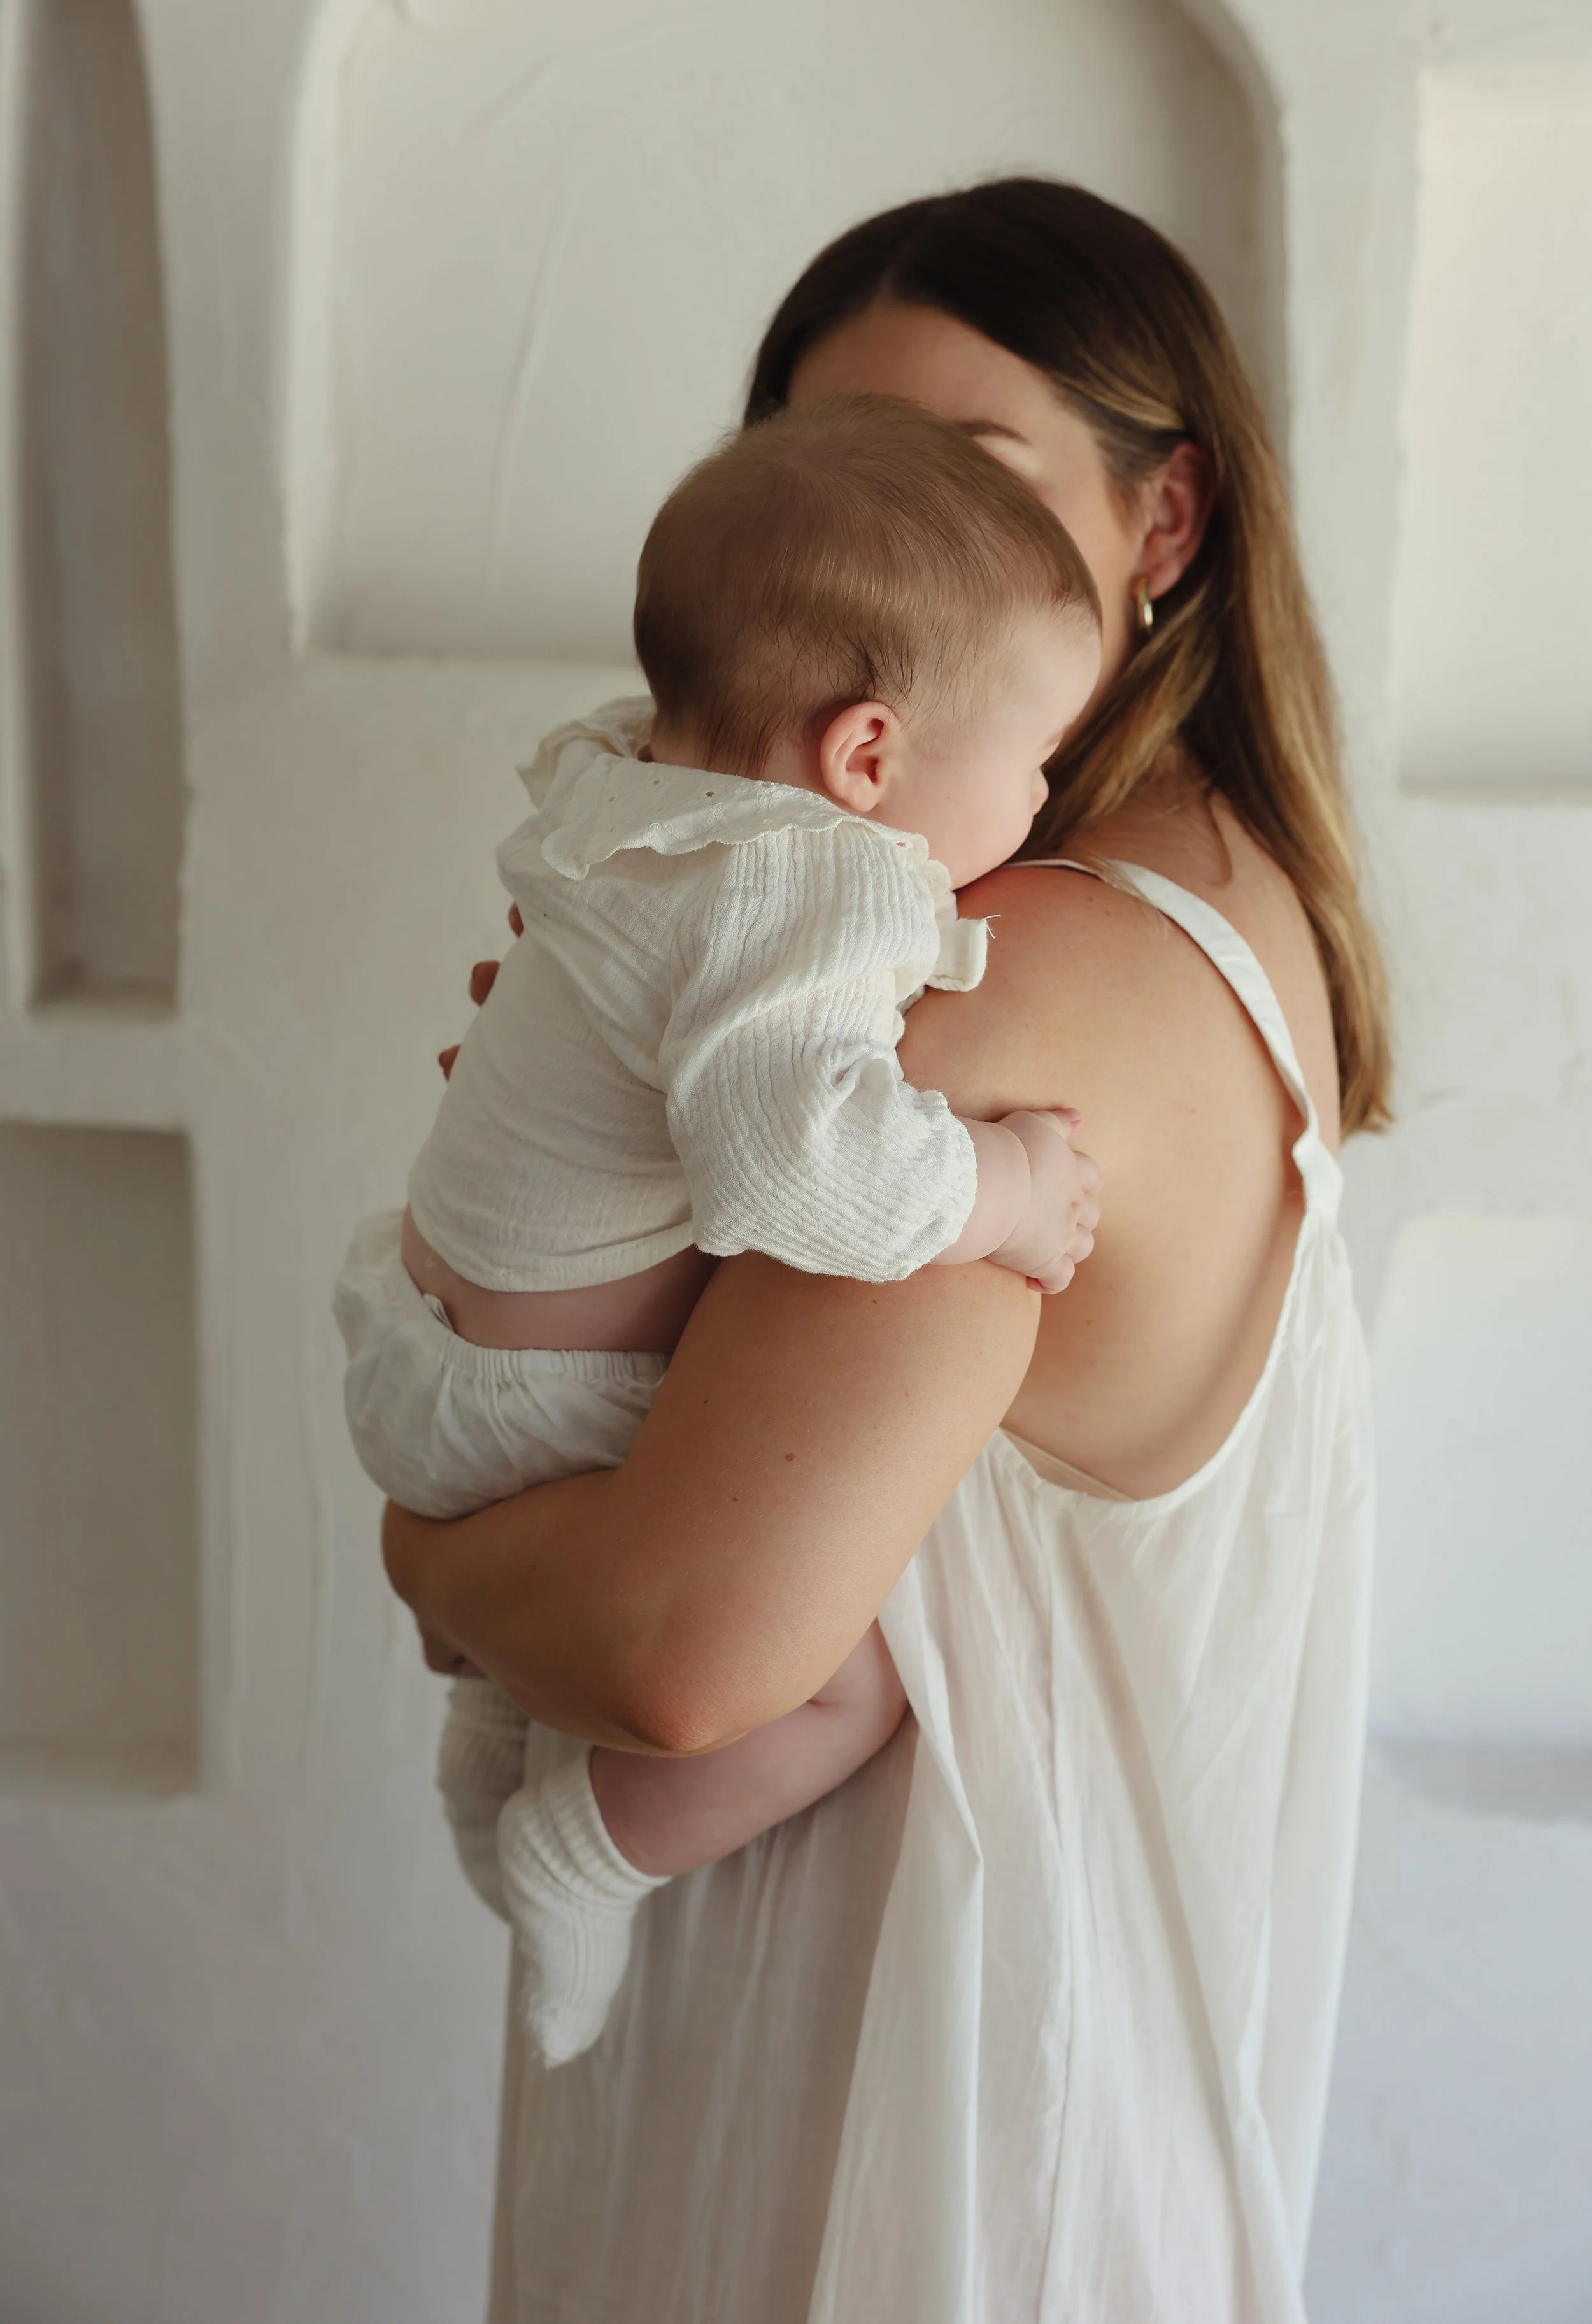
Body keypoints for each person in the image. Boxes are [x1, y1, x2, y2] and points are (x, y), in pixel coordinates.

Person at [383, 178, 1385, 2324]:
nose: (894, 549)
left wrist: (425, 1548)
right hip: (956, 2062)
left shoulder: (1003, 968)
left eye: (976, 469)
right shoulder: (1203, 893)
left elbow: (677, 1647)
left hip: (907, 2126)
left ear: (1164, 518)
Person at [336, 394, 1104, 2066]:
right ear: (867, 759)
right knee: (852, 1683)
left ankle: (488, 1767)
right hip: (547, 1406)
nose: (1049, 795)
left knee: (514, 1658)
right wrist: (1009, 1187)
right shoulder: (807, 888)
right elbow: (803, 1177)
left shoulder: (631, 776)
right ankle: (585, 1845)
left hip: (429, 1342)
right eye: (1039, 755)